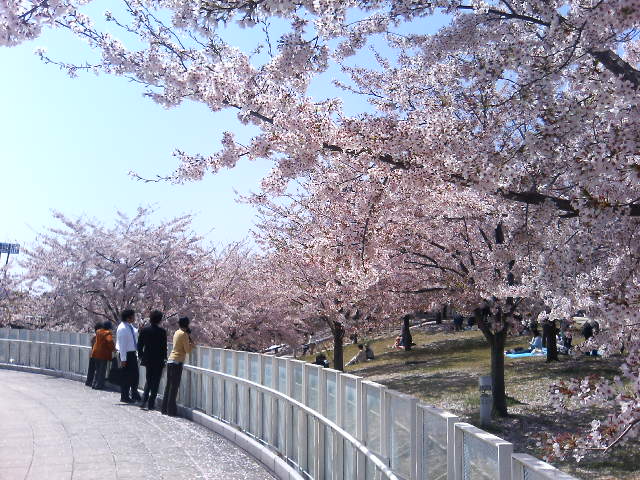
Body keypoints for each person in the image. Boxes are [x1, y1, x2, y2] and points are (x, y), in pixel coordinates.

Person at [162, 316, 195, 416]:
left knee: (168, 386)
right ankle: (171, 411)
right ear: (187, 324)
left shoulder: (176, 332)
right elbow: (187, 350)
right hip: (177, 361)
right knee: (174, 387)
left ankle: (164, 409)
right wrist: (192, 344)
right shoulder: (184, 334)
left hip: (171, 360)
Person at [137, 310, 168, 411]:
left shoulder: (144, 330)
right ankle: (151, 403)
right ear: (159, 320)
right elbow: (164, 347)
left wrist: (141, 355)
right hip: (158, 359)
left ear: (150, 318)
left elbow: (139, 345)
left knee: (149, 379)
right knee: (156, 381)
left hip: (148, 358)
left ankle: (143, 401)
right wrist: (164, 358)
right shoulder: (162, 332)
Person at [116, 309, 141, 403]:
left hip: (132, 353)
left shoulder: (129, 326)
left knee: (135, 375)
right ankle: (125, 396)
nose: (134, 318)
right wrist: (123, 359)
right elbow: (122, 345)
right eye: (133, 316)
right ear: (128, 317)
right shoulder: (122, 328)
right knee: (126, 376)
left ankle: (134, 393)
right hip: (126, 354)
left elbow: (135, 333)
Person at [91, 321, 115, 389]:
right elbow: (110, 341)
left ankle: (94, 383)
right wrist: (114, 349)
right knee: (102, 370)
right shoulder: (107, 333)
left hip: (95, 353)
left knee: (97, 369)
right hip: (102, 354)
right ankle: (99, 385)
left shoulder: (98, 331)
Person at [84, 322, 102, 387]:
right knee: (97, 370)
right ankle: (95, 383)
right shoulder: (99, 336)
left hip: (92, 354)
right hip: (98, 355)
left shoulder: (93, 337)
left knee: (91, 369)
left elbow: (92, 345)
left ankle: (88, 381)